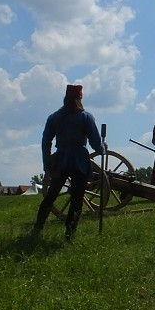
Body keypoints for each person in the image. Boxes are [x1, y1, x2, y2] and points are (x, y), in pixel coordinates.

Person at [34, 84, 104, 240]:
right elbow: (95, 142)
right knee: (77, 199)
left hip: (62, 160)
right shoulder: (86, 117)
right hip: (79, 159)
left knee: (51, 195)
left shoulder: (54, 117)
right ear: (80, 98)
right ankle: (69, 234)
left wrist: (47, 164)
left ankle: (37, 227)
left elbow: (46, 142)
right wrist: (102, 149)